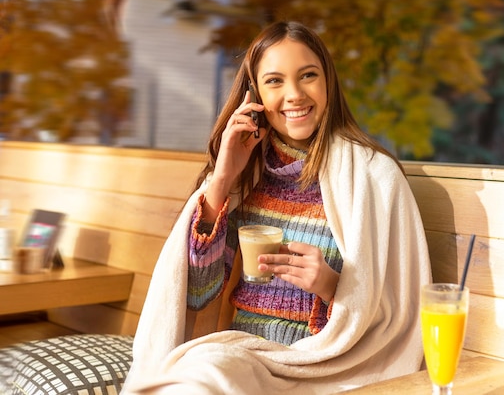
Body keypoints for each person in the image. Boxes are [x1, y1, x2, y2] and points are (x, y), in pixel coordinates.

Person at [122, 21, 431, 394]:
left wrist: (333, 286)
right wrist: (222, 179)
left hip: (328, 365)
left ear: (328, 81)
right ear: (254, 94)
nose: (295, 94)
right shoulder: (247, 175)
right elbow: (198, 294)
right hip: (243, 358)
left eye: (308, 76)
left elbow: (399, 318)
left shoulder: (374, 177)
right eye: (274, 81)